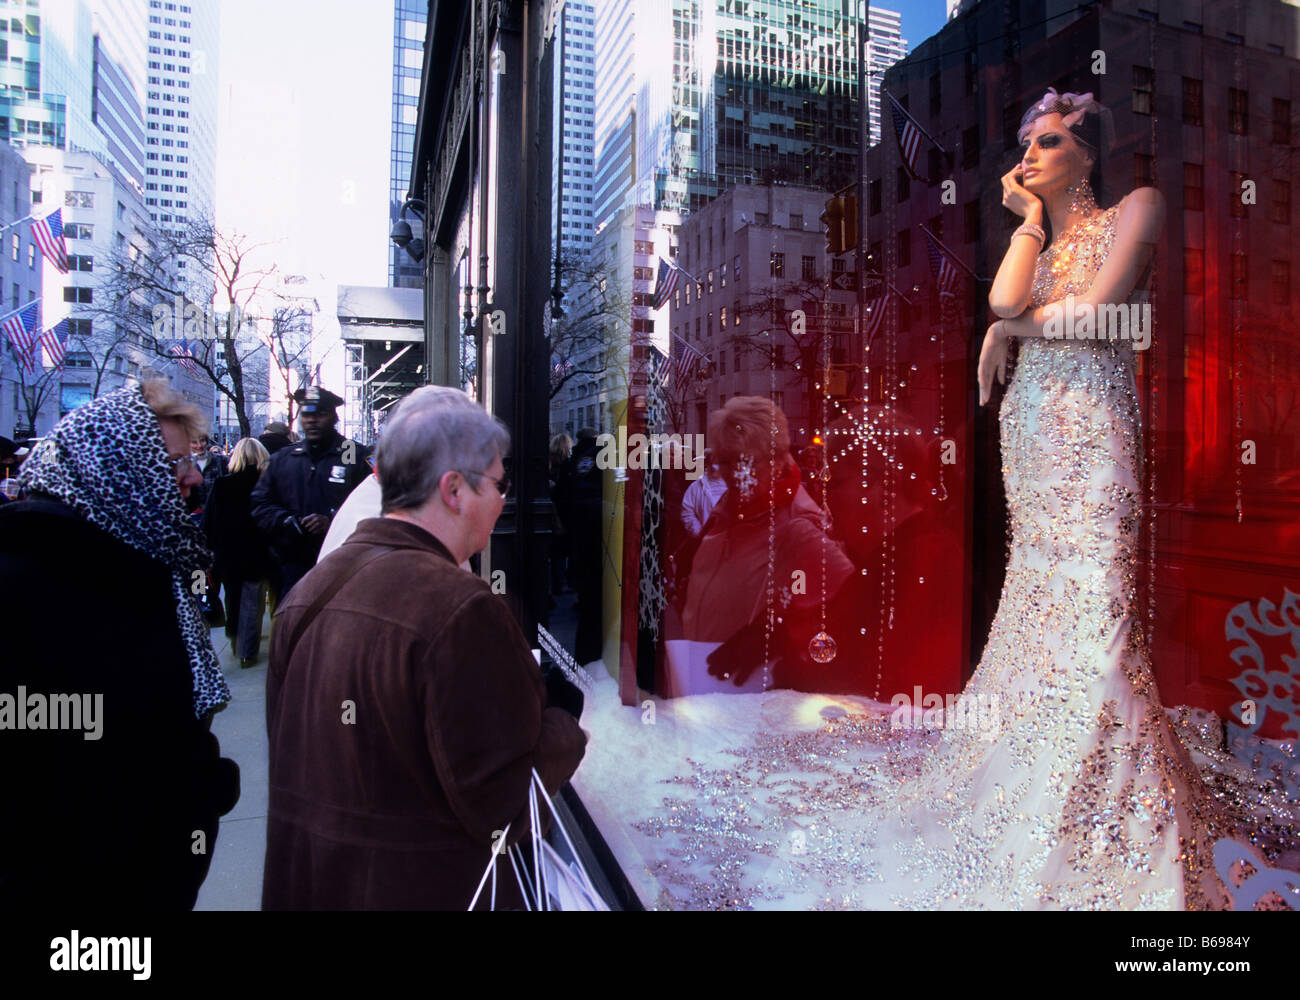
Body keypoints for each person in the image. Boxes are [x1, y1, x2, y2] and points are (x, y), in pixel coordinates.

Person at [858, 88, 1280, 909]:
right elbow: (1006, 299)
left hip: (1094, 436)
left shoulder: (1139, 207)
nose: (1027, 159)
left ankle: (1117, 821)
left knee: (1099, 613)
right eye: (1023, 147)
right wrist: (1024, 224)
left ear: (1088, 151)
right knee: (1039, 603)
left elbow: (1093, 314)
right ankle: (1031, 784)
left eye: (1047, 143)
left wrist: (1008, 333)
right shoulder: (1042, 242)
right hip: (1034, 437)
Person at [262, 386, 587, 910]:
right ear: (454, 490)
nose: (505, 501)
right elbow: (505, 807)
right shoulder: (459, 609)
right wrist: (561, 719)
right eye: (500, 484)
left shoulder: (309, 592)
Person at [0, 381, 240, 909]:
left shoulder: (147, 569)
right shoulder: (21, 585)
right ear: (116, 470)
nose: (194, 479)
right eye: (174, 464)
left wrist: (201, 785)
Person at [665, 397, 855, 697]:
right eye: (724, 461)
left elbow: (849, 605)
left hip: (753, 699)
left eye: (744, 461)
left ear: (777, 460)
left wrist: (779, 633)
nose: (731, 473)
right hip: (707, 687)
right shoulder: (729, 511)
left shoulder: (799, 525)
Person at [250, 386, 371, 598]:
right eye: (307, 414)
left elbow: (380, 505)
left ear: (334, 417)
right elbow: (260, 504)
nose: (312, 420)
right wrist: (288, 521)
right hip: (293, 569)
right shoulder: (282, 459)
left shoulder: (356, 455)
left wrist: (334, 522)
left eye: (320, 414)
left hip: (345, 567)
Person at [204, 437, 275, 667]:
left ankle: (235, 638)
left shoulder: (222, 485)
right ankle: (247, 650)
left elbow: (209, 522)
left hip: (227, 554)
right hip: (257, 552)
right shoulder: (268, 484)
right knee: (253, 601)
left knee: (233, 597)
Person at [679, 449, 727, 538]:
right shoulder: (695, 487)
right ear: (706, 464)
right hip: (704, 543)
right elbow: (687, 512)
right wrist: (699, 532)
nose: (713, 466)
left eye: (717, 462)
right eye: (710, 462)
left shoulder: (733, 487)